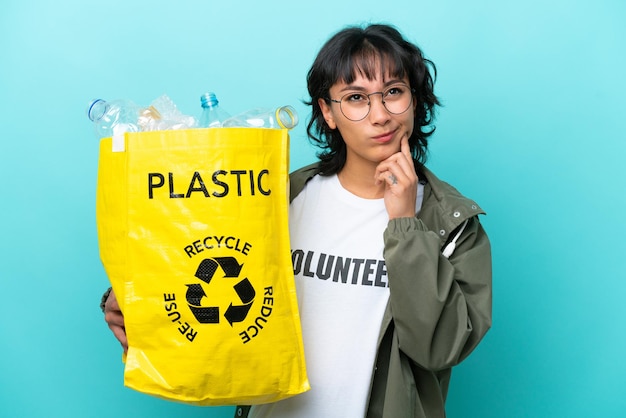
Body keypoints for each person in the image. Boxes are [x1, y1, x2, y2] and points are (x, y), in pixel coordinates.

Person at [102, 23, 492, 418]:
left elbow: (440, 348)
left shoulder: (453, 224)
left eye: (394, 92)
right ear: (328, 112)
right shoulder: (277, 196)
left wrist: (405, 224)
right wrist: (136, 302)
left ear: (414, 99)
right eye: (356, 98)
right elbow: (202, 262)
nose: (380, 115)